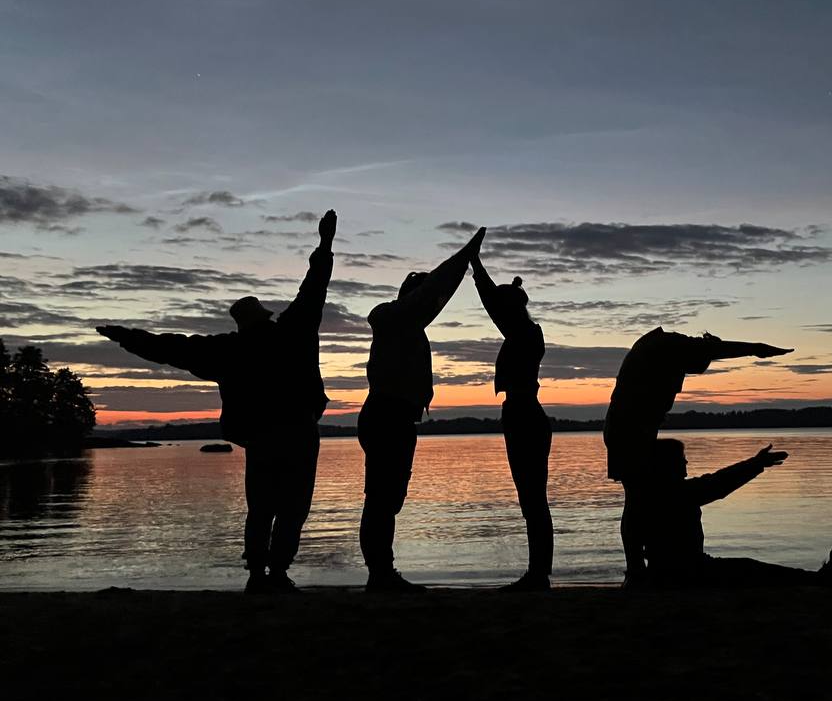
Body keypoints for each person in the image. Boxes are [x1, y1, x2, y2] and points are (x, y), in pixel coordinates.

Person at [97, 210, 338, 593]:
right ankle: (276, 573)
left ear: (241, 323)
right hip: (297, 432)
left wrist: (126, 336)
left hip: (262, 438)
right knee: (292, 508)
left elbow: (169, 348)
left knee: (262, 507)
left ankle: (259, 575)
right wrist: (324, 244)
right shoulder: (293, 330)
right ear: (263, 316)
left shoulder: (229, 349)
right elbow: (314, 286)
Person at [603, 328, 792, 585]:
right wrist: (755, 347)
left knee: (642, 499)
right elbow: (713, 486)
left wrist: (754, 348)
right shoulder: (672, 347)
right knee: (638, 498)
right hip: (627, 430)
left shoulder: (667, 348)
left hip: (631, 427)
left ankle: (646, 565)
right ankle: (639, 570)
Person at [358, 226, 486, 591]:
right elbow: (435, 292)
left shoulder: (406, 326)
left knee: (387, 498)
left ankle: (381, 572)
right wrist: (465, 256)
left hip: (394, 416)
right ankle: (380, 574)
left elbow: (433, 294)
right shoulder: (395, 318)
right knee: (382, 498)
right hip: (386, 416)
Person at [471, 253, 552, 590]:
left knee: (533, 499)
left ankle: (538, 575)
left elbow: (493, 305)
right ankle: (538, 573)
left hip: (525, 416)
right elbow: (497, 306)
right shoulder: (522, 334)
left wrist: (477, 268)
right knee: (531, 499)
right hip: (521, 415)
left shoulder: (526, 334)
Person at [644, 439, 815, 587]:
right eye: (681, 458)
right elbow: (718, 484)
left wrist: (756, 463)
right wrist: (757, 463)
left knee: (749, 568)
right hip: (686, 573)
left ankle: (815, 577)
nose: (686, 462)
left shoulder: (659, 492)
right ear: (668, 464)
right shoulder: (676, 493)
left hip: (683, 569)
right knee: (750, 569)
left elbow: (716, 482)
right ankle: (818, 578)